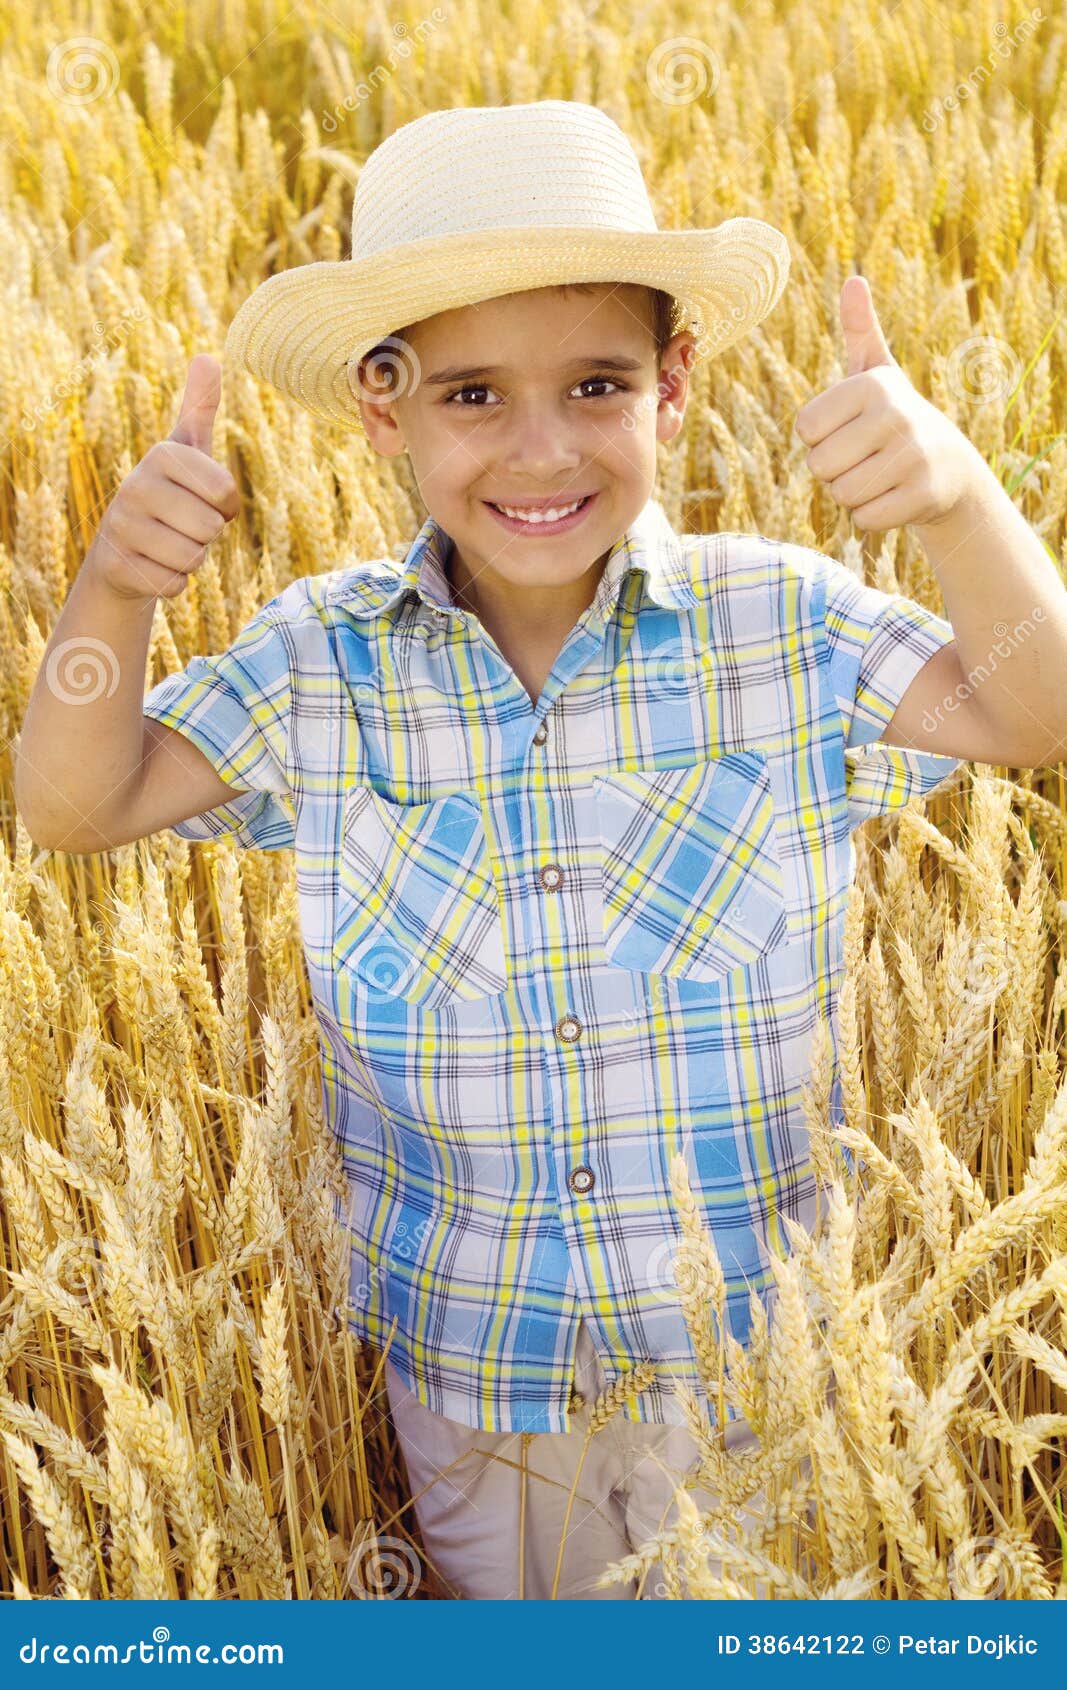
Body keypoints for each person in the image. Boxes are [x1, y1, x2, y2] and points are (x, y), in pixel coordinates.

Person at [16, 100, 968, 1599]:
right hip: (469, 1369)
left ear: (675, 388)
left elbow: (1038, 708)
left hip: (756, 1363)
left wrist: (953, 501)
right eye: (471, 394)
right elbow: (73, 806)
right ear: (381, 409)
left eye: (596, 384)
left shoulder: (780, 623)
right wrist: (118, 587)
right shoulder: (320, 662)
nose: (541, 449)